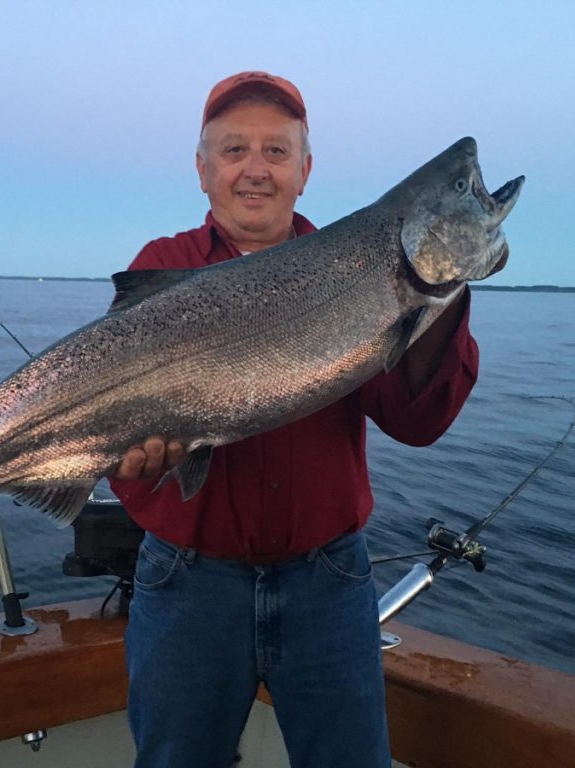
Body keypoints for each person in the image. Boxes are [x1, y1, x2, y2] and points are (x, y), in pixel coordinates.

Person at [109, 71, 480, 768]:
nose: (256, 170)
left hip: (327, 586)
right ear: (202, 169)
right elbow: (119, 451)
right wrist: (134, 465)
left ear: (305, 171)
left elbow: (417, 420)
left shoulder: (360, 266)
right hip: (187, 587)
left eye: (277, 152)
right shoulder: (161, 269)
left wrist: (441, 292)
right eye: (235, 150)